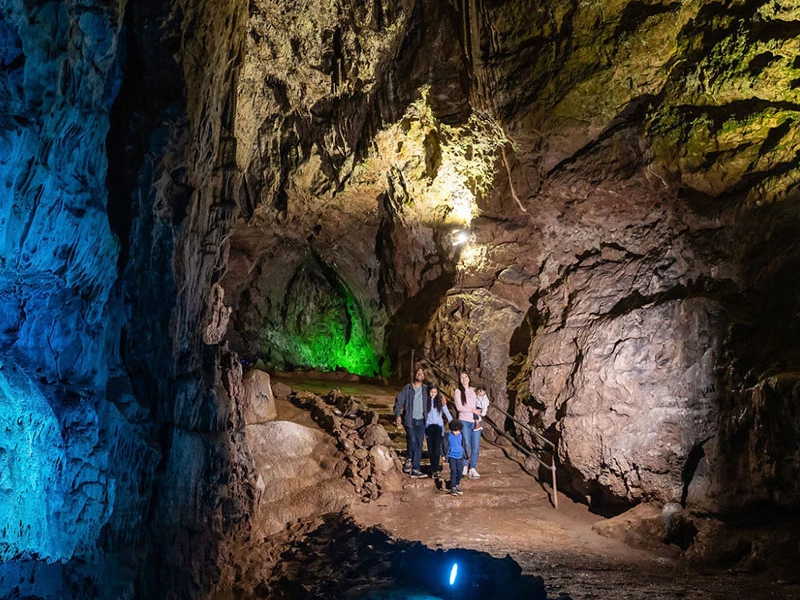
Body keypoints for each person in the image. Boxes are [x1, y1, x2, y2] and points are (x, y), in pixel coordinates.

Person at [394, 366, 428, 478]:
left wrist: (442, 399)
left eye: (422, 373)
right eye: (418, 373)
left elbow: (435, 396)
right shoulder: (408, 388)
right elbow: (399, 401)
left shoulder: (425, 389)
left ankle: (416, 469)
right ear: (415, 375)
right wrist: (398, 415)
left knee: (419, 444)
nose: (419, 374)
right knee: (412, 440)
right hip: (410, 419)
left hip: (422, 420)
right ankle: (409, 459)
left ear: (424, 377)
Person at [453, 370, 482, 479]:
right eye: (462, 378)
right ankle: (464, 465)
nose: (464, 379)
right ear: (460, 381)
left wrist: (477, 416)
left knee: (475, 446)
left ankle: (472, 467)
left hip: (475, 421)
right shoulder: (458, 392)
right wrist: (473, 410)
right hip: (464, 420)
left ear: (469, 379)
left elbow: (480, 402)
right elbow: (459, 408)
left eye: (466, 377)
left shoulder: (474, 391)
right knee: (466, 443)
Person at [425, 385, 453, 479]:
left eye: (435, 392)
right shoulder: (426, 401)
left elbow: (447, 413)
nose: (433, 394)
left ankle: (436, 469)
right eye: (431, 392)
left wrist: (453, 424)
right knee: (431, 449)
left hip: (438, 427)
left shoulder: (440, 401)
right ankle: (433, 468)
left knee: (437, 449)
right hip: (428, 427)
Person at [446, 419, 465, 495]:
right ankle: (453, 486)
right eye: (455, 431)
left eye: (458, 431)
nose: (456, 433)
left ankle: (457, 483)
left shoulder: (461, 435)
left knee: (460, 471)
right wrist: (445, 454)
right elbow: (444, 445)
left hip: (460, 456)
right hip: (451, 456)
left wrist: (465, 454)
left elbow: (463, 444)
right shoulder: (448, 436)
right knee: (453, 471)